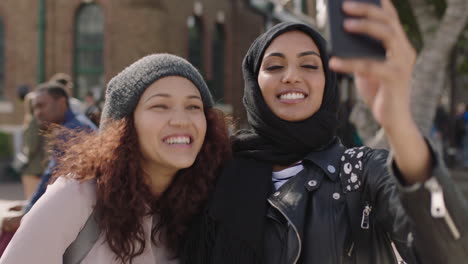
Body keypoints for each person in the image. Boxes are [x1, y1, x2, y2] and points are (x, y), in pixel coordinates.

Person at [182, 1, 467, 263]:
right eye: (274, 66)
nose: (291, 76)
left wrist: (398, 123)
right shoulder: (215, 168)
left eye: (309, 65)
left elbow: (450, 253)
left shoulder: (361, 174)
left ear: (327, 82)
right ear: (254, 83)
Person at [0, 54, 231, 263]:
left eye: (193, 106)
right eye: (160, 106)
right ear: (123, 126)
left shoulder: (207, 202)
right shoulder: (78, 195)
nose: (182, 120)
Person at [0, 82, 97, 236]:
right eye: (34, 108)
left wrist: (28, 212)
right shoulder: (77, 124)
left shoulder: (71, 131)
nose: (37, 113)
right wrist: (28, 205)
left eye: (41, 106)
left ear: (62, 102)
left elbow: (52, 179)